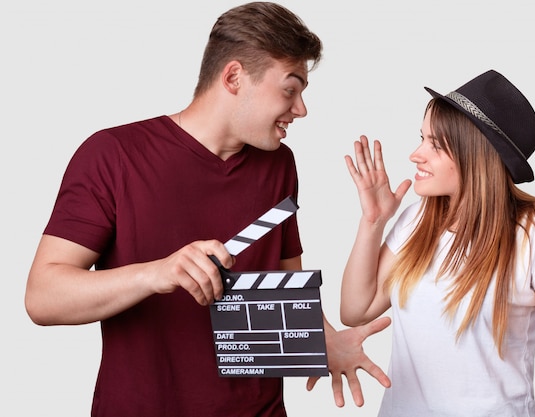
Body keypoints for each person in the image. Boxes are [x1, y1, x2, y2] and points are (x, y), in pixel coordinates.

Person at [24, 2, 390, 416]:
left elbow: (287, 280)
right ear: (234, 76)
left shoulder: (279, 164)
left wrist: (325, 340)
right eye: (290, 89)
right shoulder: (112, 155)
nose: (301, 108)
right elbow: (43, 297)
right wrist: (155, 273)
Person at [340, 69, 535, 416]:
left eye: (435, 144)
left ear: (474, 155)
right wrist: (372, 222)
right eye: (422, 137)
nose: (416, 154)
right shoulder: (415, 220)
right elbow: (356, 311)